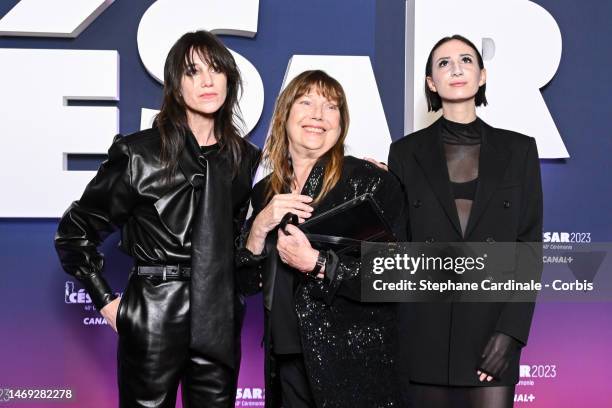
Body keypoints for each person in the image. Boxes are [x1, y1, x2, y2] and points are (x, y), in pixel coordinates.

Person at [55, 30, 260, 408]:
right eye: (192, 72)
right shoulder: (138, 154)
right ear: (175, 86)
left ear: (230, 79)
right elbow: (74, 233)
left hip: (218, 312)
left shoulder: (244, 158)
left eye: (216, 69)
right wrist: (107, 301)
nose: (207, 80)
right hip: (155, 309)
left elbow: (236, 242)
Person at [388, 35, 543, 408]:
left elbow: (528, 248)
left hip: (491, 333)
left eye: (466, 60)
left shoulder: (519, 150)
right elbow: (396, 250)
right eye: (443, 63)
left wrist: (510, 333)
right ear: (431, 83)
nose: (455, 69)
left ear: (482, 75)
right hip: (423, 332)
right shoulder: (404, 153)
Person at [236, 70, 404, 408]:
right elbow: (245, 283)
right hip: (285, 360)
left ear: (341, 124)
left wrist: (317, 263)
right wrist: (259, 226)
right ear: (285, 114)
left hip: (354, 361)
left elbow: (395, 275)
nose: (318, 115)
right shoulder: (264, 192)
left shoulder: (367, 180)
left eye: (331, 107)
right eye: (307, 102)